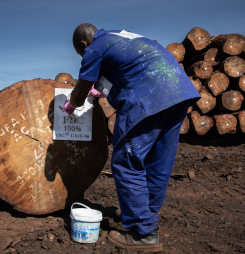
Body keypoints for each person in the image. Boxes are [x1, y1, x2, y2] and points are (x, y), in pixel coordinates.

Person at [64, 23, 201, 252]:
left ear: (82, 44)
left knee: (126, 163)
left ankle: (143, 233)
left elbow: (82, 86)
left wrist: (73, 103)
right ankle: (147, 219)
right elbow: (127, 69)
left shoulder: (94, 47)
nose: (83, 55)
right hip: (178, 92)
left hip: (148, 97)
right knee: (157, 162)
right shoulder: (120, 36)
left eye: (80, 52)